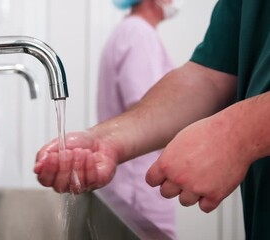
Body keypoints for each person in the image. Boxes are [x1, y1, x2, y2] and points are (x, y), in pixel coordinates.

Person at [34, 0, 270, 238]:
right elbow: (210, 77)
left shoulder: (129, 31)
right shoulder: (139, 34)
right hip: (143, 189)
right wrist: (107, 140)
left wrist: (238, 133)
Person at [95, 0, 180, 238]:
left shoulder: (131, 31)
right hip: (139, 186)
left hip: (131, 183)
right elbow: (151, 112)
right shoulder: (138, 33)